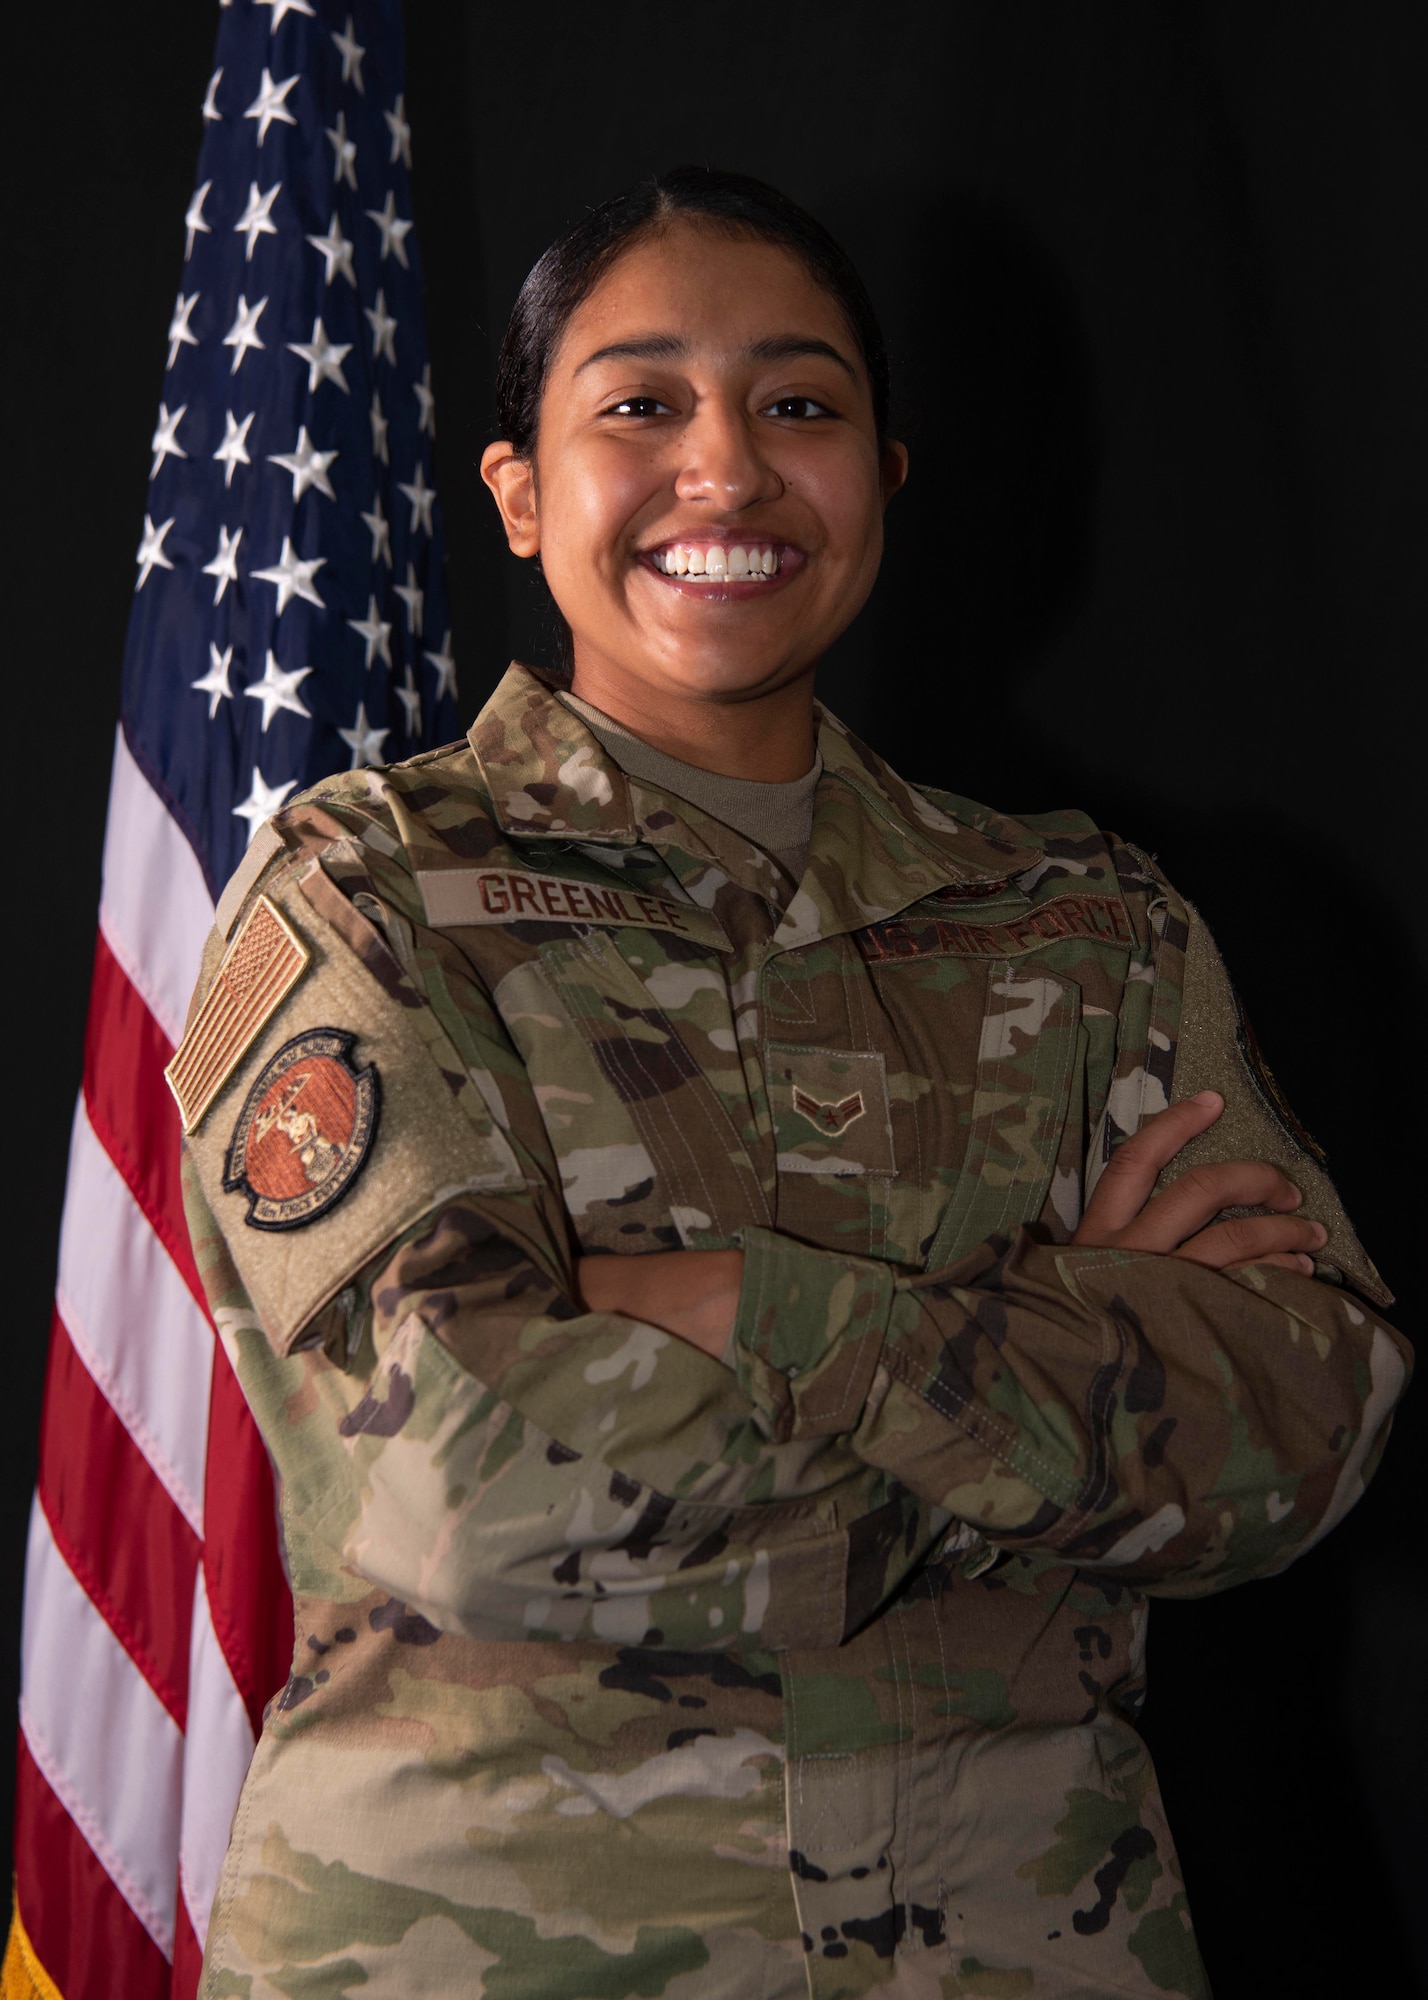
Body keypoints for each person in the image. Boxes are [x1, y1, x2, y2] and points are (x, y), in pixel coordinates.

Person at [173, 167, 1409, 1998]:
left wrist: (739, 1308)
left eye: (801, 404)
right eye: (641, 405)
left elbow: (1315, 1423)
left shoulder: (1084, 924)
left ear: (886, 480)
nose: (729, 470)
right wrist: (1057, 1353)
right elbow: (463, 1483)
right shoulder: (368, 893)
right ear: (519, 492)